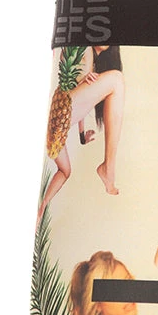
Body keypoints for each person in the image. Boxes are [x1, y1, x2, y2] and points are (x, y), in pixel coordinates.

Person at [37, 46, 125, 224]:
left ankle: (42, 207)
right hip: (62, 104)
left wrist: (82, 136)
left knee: (65, 171)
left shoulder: (93, 61)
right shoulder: (84, 48)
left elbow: (83, 102)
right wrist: (80, 82)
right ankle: (108, 169)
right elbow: (65, 71)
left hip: (58, 123)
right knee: (117, 79)